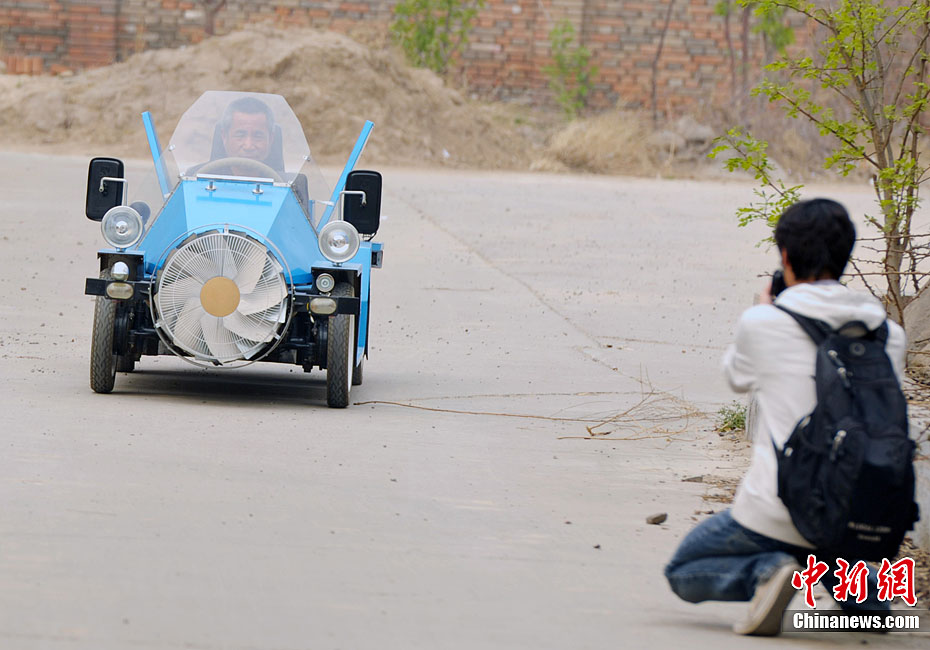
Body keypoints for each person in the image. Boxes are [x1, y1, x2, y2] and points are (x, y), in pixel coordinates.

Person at [664, 198, 907, 635]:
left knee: (683, 570)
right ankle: (861, 587)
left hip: (777, 513)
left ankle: (773, 571)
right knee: (843, 569)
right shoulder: (891, 336)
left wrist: (765, 307)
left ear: (786, 258)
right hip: (855, 516)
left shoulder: (764, 320)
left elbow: (736, 378)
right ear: (845, 259)